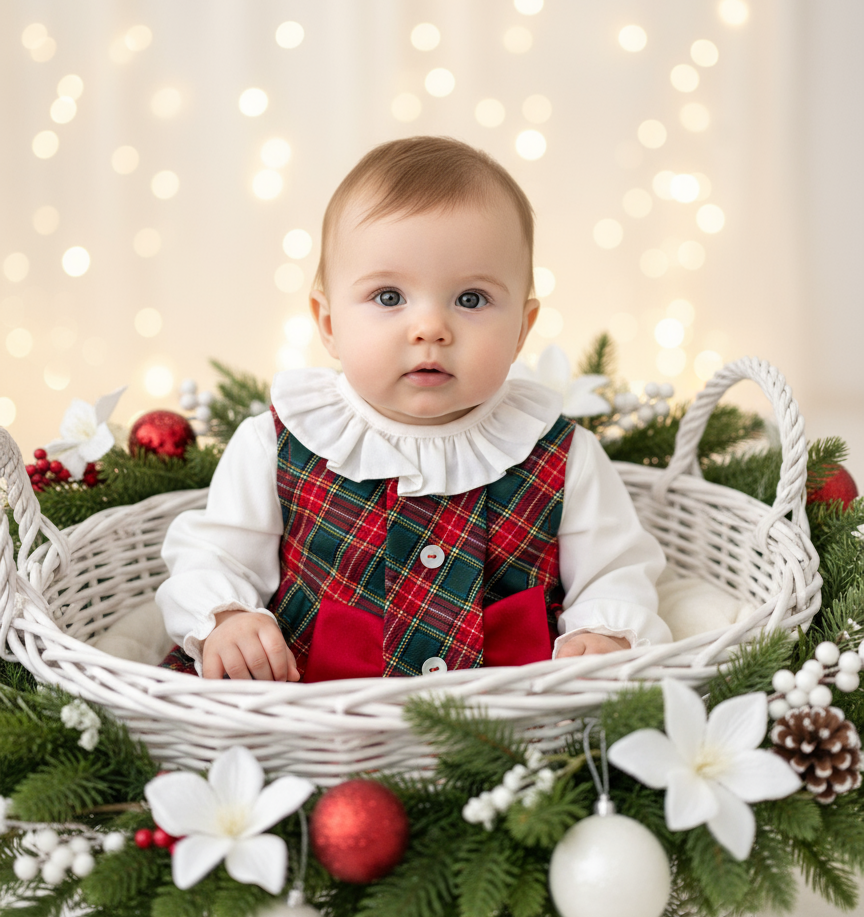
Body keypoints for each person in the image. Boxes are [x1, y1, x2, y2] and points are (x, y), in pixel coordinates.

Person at [156, 136, 671, 682]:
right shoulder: (281, 442)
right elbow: (216, 555)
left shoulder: (560, 452)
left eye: (471, 299)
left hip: (512, 712)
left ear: (522, 329)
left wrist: (604, 630)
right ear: (329, 323)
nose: (430, 328)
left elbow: (615, 568)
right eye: (389, 297)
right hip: (311, 708)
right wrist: (227, 616)